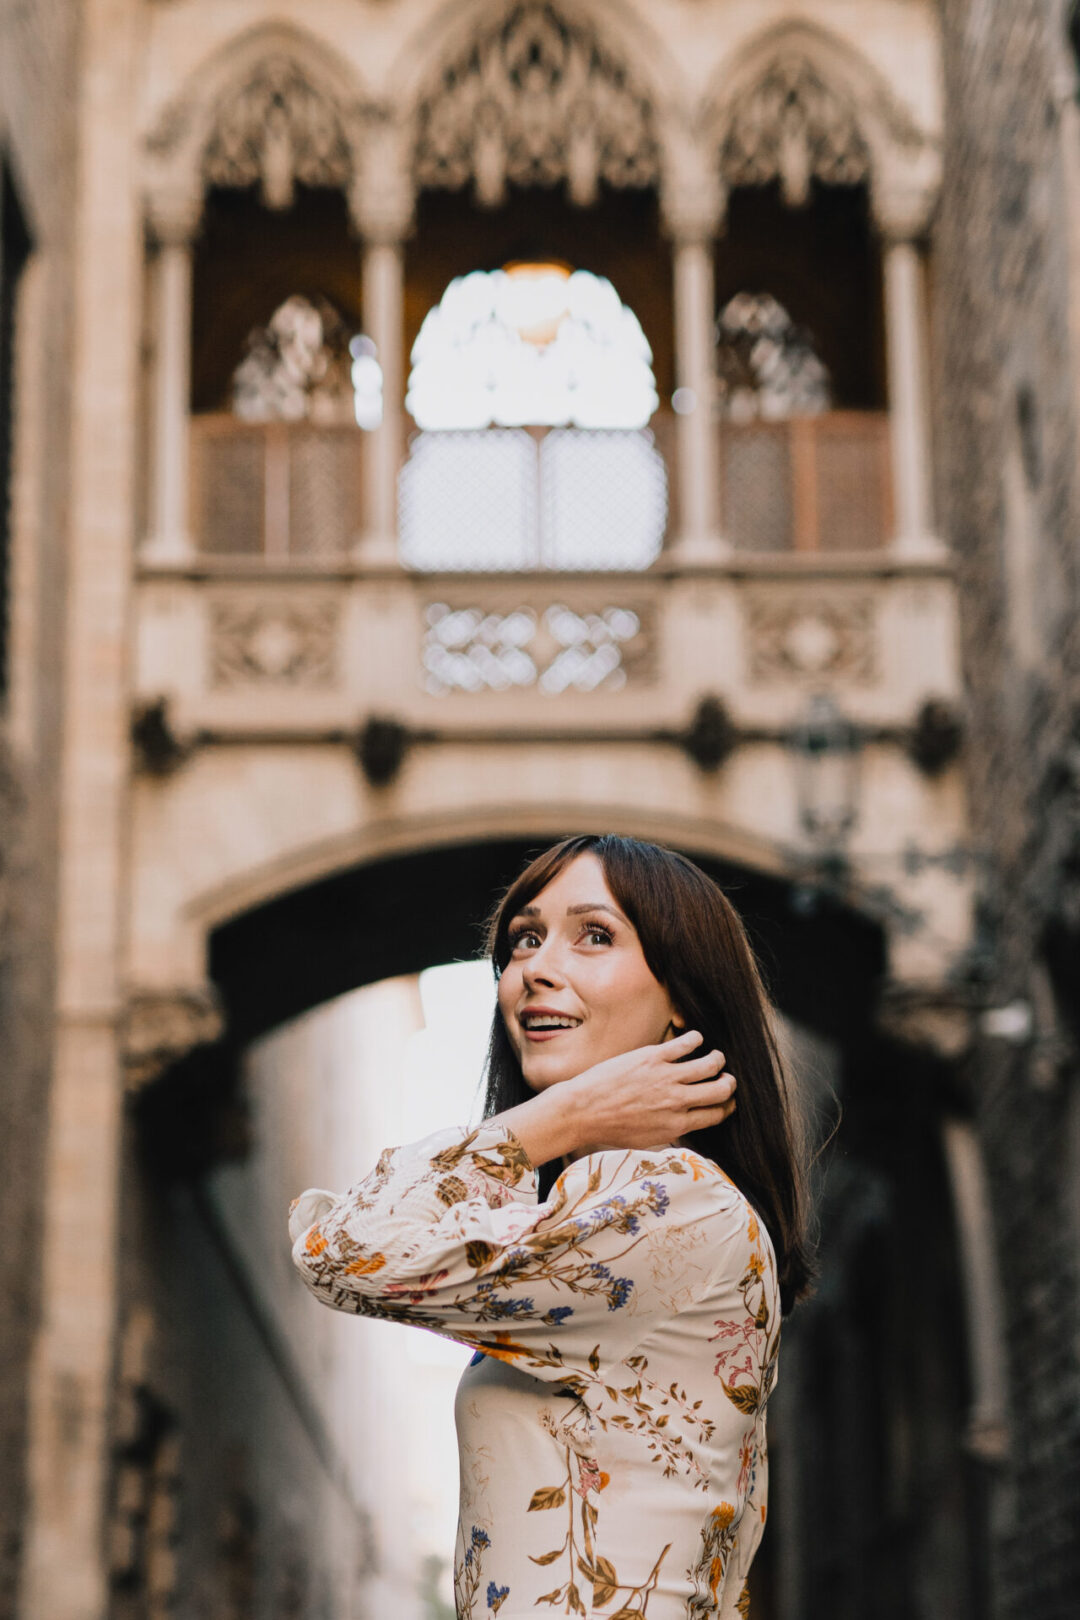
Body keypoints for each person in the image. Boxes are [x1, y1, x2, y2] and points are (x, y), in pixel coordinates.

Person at [290, 834, 812, 1619]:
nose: (534, 966)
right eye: (524, 938)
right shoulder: (603, 1207)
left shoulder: (667, 1200)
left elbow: (342, 1252)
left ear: (682, 999)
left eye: (594, 935)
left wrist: (552, 1119)